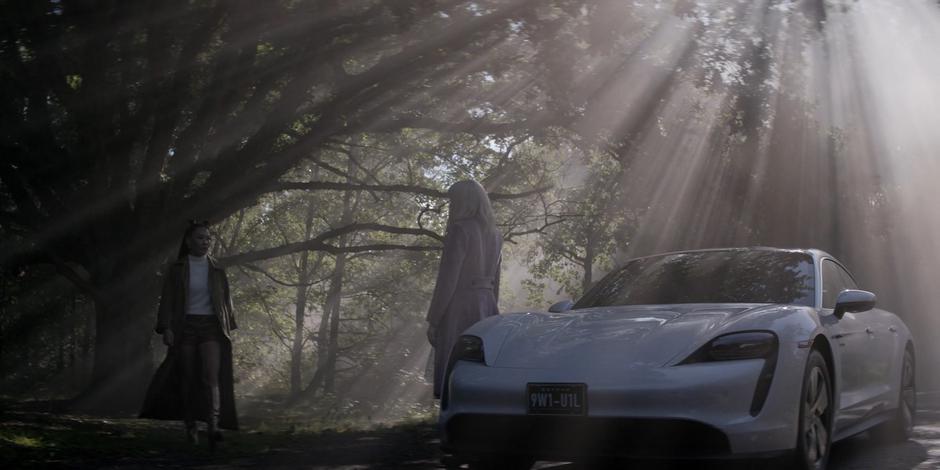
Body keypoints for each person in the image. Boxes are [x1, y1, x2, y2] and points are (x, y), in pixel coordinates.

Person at [139, 220, 238, 450]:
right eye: (200, 238)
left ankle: (213, 426)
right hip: (185, 326)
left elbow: (225, 300)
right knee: (187, 377)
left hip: (211, 326)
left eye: (208, 238)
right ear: (188, 241)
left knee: (210, 375)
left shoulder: (217, 269)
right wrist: (167, 328)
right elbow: (168, 300)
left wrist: (228, 326)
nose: (205, 242)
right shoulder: (177, 269)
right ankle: (191, 425)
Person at [426, 180, 503, 399]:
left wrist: (435, 319)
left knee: (455, 361)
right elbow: (495, 280)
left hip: (459, 304)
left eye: (453, 201)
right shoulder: (495, 234)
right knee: (480, 359)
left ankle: (455, 412)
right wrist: (492, 309)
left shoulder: (460, 230)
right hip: (486, 304)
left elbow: (448, 278)